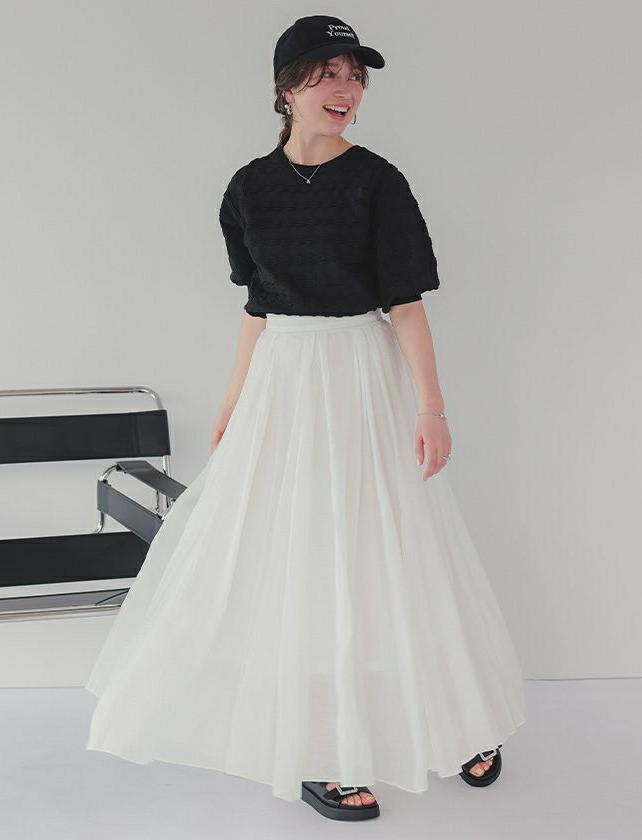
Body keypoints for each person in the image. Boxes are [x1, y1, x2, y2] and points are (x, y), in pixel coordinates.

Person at [85, 14, 526, 823]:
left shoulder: (378, 181)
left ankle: (457, 719)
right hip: (284, 380)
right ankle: (320, 744)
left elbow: (405, 303)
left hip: (362, 373)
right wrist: (233, 400)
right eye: (328, 73)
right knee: (296, 553)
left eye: (355, 74)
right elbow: (258, 306)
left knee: (396, 544)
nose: (346, 89)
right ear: (286, 88)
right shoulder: (247, 188)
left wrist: (432, 408)